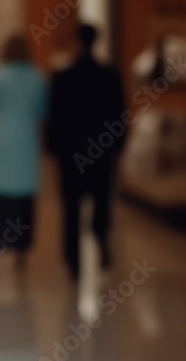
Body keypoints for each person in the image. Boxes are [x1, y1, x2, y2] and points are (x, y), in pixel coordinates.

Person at [46, 23, 126, 280]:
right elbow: (119, 116)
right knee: (101, 200)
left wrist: (53, 148)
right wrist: (117, 146)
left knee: (71, 206)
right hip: (100, 151)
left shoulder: (63, 76)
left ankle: (73, 262)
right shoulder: (109, 75)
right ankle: (100, 237)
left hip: (71, 153)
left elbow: (54, 116)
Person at [0, 34, 47, 271]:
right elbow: (42, 110)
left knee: (1, 192)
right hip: (26, 139)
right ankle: (22, 246)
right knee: (24, 196)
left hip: (3, 137)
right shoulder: (37, 78)